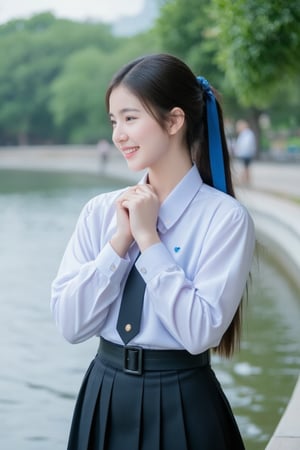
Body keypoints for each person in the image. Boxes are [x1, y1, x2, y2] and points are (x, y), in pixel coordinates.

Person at [50, 53, 255, 450]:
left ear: (174, 121)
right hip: (103, 394)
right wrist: (118, 244)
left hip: (183, 401)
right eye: (113, 122)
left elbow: (199, 332)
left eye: (130, 118)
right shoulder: (99, 212)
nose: (118, 135)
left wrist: (149, 240)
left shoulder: (225, 218)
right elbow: (70, 324)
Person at [234, 119, 257, 184]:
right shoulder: (246, 133)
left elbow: (245, 145)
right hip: (245, 153)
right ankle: (246, 180)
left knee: (245, 167)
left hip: (245, 153)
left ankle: (244, 180)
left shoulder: (246, 133)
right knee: (246, 167)